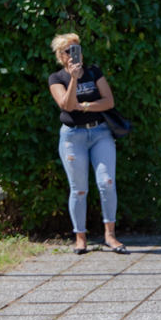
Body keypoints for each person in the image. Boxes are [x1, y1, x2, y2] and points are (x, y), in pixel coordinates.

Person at [47, 33, 128, 255]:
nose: (74, 54)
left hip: (100, 133)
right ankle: (80, 237)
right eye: (68, 51)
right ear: (61, 56)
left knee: (107, 182)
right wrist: (74, 79)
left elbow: (108, 101)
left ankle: (110, 235)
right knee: (79, 189)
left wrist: (83, 107)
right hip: (73, 138)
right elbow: (65, 104)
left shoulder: (94, 72)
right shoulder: (57, 78)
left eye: (77, 49)